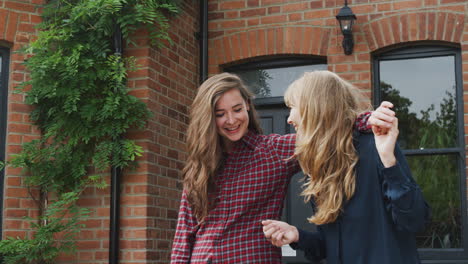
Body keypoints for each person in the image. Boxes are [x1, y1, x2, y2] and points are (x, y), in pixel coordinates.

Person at [170, 72, 394, 264]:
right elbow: (184, 236)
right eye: (220, 114)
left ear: (248, 105)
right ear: (208, 117)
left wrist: (369, 120)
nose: (231, 120)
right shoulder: (200, 165)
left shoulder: (272, 152)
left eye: (237, 109)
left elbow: (325, 129)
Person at [262, 71, 431, 264]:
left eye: (293, 107)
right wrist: (297, 236)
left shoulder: (375, 146)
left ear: (317, 109)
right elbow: (330, 247)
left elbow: (415, 220)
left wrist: (389, 162)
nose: (289, 118)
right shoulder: (320, 165)